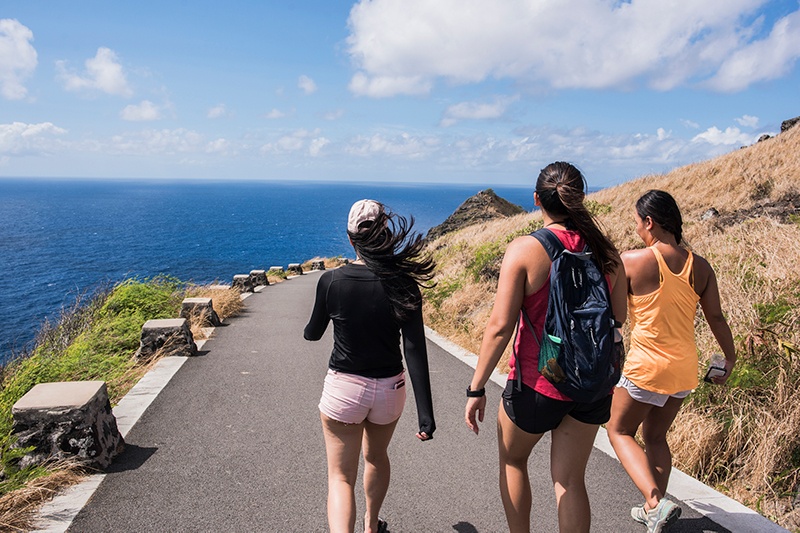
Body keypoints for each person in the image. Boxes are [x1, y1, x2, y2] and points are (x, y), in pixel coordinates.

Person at [465, 162, 627, 533]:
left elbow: (499, 327)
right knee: (570, 480)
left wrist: (476, 387)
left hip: (538, 383)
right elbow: (619, 318)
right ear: (579, 199)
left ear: (537, 199)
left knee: (513, 461)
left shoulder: (524, 250)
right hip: (591, 384)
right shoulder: (607, 252)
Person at [606, 190, 737, 533]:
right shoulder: (701, 266)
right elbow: (717, 319)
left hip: (646, 366)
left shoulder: (632, 261)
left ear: (649, 222)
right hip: (683, 369)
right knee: (657, 437)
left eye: (637, 223)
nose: (636, 230)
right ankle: (655, 513)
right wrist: (730, 358)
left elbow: (617, 316)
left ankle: (654, 501)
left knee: (618, 430)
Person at [304, 199, 436, 533]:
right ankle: (371, 524)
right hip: (390, 390)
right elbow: (415, 348)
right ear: (385, 235)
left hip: (344, 389)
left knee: (341, 478)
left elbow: (313, 334)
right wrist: (426, 414)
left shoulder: (331, 281)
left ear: (351, 239)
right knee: (376, 458)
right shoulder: (403, 282)